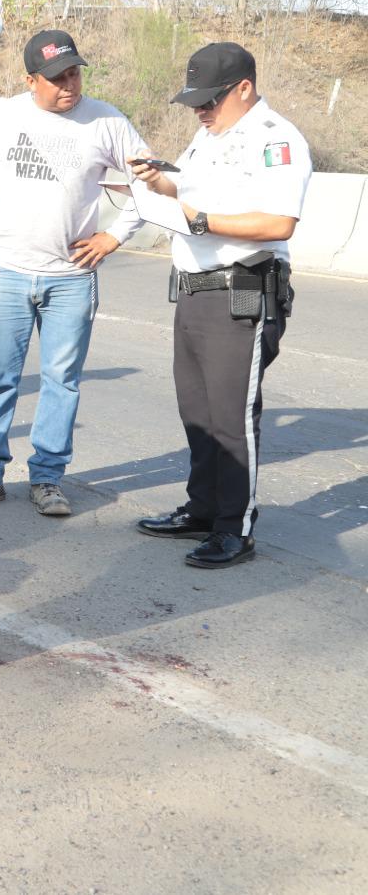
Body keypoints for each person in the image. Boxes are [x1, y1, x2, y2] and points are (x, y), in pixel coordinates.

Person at [0, 30, 147, 517]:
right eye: (57, 77)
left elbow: (147, 181)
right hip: (5, 270)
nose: (70, 85)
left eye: (74, 73)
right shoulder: (2, 115)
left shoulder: (107, 121)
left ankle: (47, 478)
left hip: (70, 277)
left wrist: (114, 236)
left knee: (61, 381)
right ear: (31, 80)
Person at [131, 42, 308, 569]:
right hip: (193, 289)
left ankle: (236, 527)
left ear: (244, 89)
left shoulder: (276, 140)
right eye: (193, 103)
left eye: (208, 101)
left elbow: (277, 223)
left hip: (241, 291)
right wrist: (155, 181)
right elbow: (184, 186)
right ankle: (203, 510)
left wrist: (201, 221)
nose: (200, 111)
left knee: (231, 416)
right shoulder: (208, 136)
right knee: (197, 411)